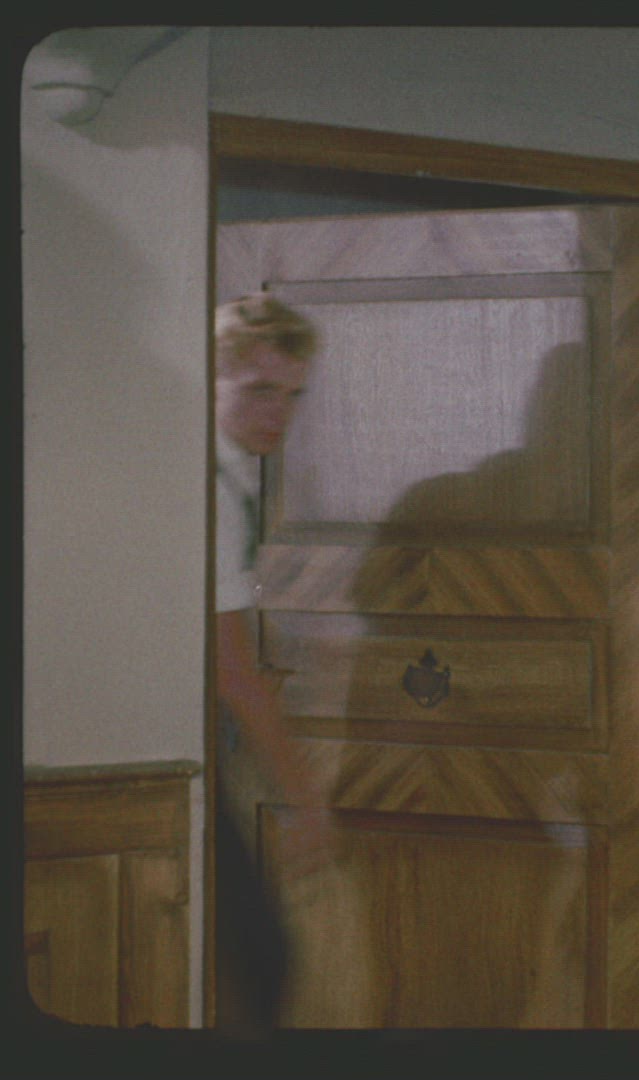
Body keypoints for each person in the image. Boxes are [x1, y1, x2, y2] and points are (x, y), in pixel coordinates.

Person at [212, 292, 333, 1034]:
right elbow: (229, 667)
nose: (278, 413)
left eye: (292, 395)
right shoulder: (208, 490)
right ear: (212, 378)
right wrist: (303, 797)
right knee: (258, 962)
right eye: (260, 389)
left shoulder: (232, 475)